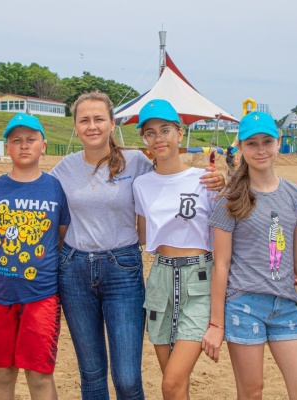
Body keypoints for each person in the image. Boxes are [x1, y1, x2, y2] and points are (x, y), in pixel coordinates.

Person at [49, 91, 224, 400]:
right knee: (91, 373)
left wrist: (221, 179)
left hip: (122, 269)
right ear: (75, 126)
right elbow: (41, 200)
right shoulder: (64, 168)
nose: (92, 126)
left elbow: (172, 179)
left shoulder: (137, 163)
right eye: (84, 120)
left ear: (111, 123)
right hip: (74, 270)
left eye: (99, 119)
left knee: (128, 379)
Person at [202, 111, 297, 399]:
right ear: (241, 148)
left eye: (267, 141)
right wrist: (216, 323)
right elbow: (221, 264)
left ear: (278, 142)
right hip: (244, 304)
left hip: (285, 305)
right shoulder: (231, 198)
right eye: (252, 143)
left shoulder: (296, 196)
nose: (261, 149)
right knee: (252, 392)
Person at [0, 113, 70, 400]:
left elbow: (60, 236)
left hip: (41, 295)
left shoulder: (56, 188)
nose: (24, 145)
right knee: (2, 372)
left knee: (39, 375)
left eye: (31, 139)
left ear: (43, 145)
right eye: (16, 140)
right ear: (7, 147)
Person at [133, 99, 216, 399]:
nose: (158, 138)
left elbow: (225, 230)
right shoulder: (141, 185)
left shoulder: (204, 179)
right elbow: (143, 234)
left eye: (165, 130)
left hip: (199, 278)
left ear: (180, 133)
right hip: (160, 277)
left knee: (171, 382)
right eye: (150, 133)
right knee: (175, 384)